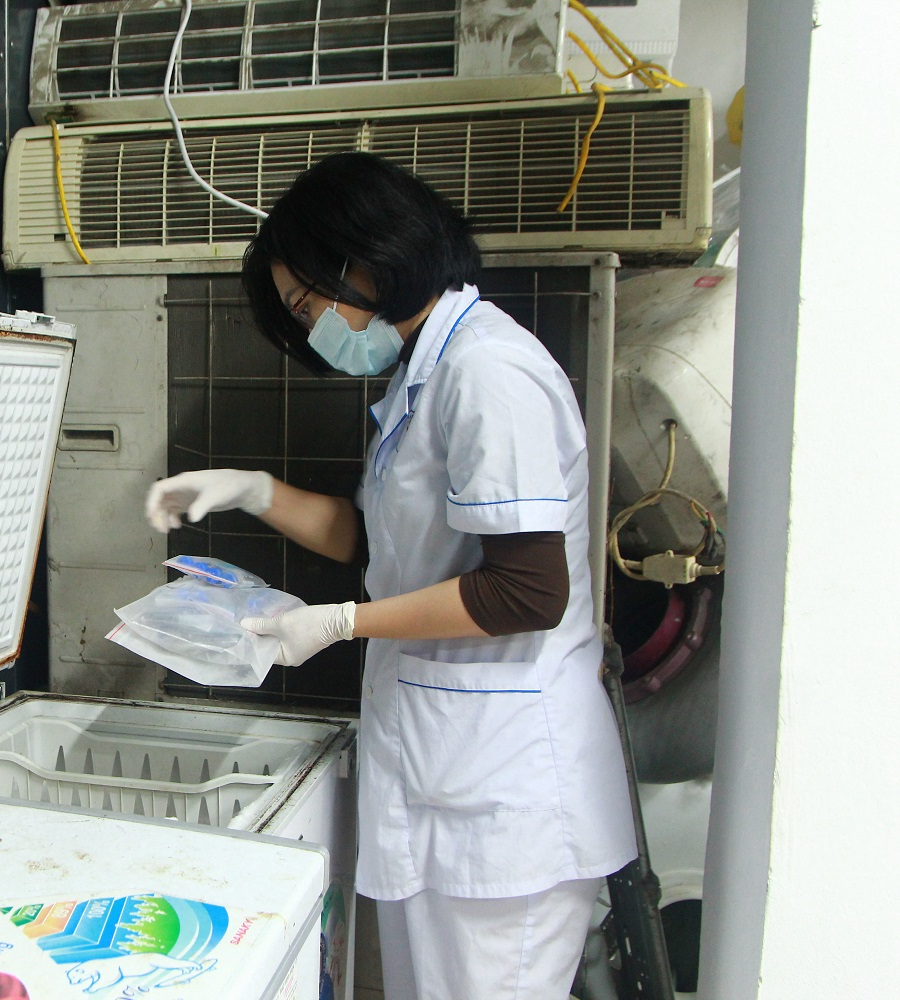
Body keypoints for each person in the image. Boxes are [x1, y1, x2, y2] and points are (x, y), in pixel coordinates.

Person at [144, 153, 636, 999]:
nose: (310, 332)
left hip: (505, 803)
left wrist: (341, 623)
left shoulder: (488, 372)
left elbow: (528, 591)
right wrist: (251, 490)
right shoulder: (426, 374)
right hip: (448, 780)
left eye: (307, 306)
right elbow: (382, 544)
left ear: (366, 258)